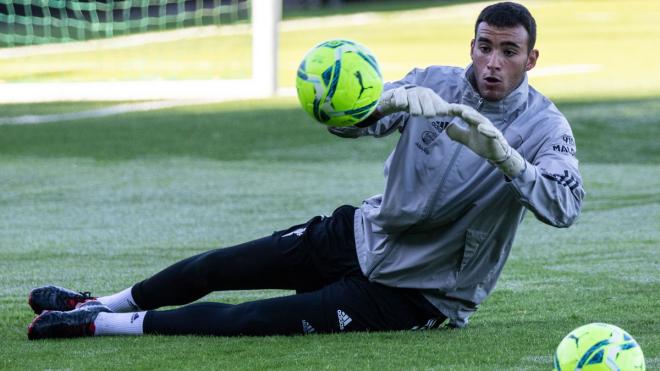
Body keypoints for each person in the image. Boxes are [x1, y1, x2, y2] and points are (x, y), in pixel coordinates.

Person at [27, 1, 584, 340]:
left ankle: (96, 327)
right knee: (218, 265)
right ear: (472, 44)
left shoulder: (545, 127)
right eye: (485, 47)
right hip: (363, 233)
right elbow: (348, 121)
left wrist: (504, 157)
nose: (492, 63)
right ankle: (97, 301)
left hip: (418, 292)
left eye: (509, 51)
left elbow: (565, 206)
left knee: (253, 321)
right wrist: (387, 104)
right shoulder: (435, 81)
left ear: (531, 59)